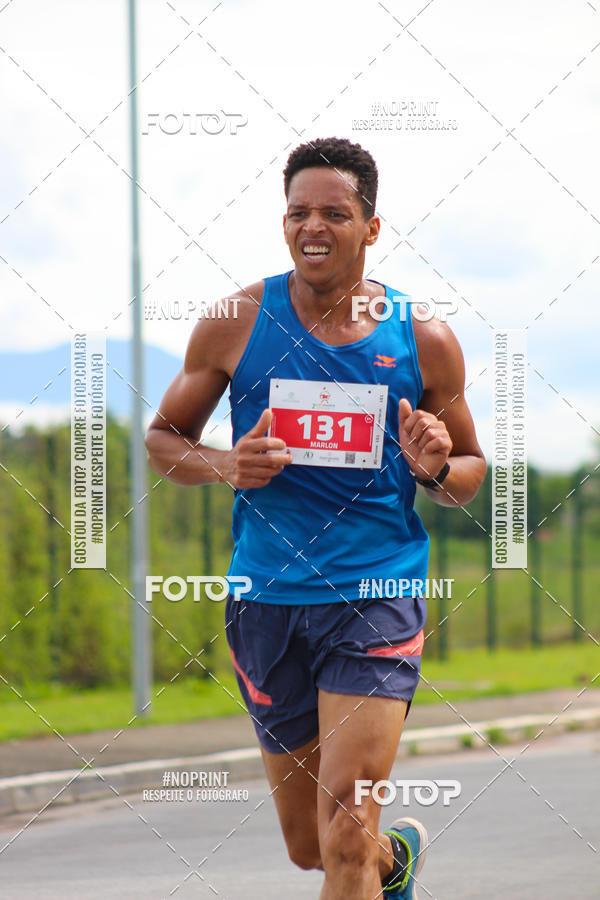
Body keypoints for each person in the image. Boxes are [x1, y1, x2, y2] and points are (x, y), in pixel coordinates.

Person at [146, 136, 486, 899]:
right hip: (267, 602)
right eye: (299, 212)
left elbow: (468, 474)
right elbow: (163, 441)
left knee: (342, 830)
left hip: (375, 596)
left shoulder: (422, 337)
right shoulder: (236, 320)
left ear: (371, 227)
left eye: (335, 212)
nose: (313, 226)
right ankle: (390, 864)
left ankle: (365, 857)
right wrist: (228, 465)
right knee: (315, 848)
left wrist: (433, 463)